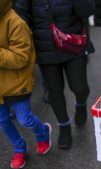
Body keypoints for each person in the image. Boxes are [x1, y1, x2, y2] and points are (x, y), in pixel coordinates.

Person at [14, 0, 95, 149]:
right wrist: (29, 31)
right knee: (54, 91)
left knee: (80, 87)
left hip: (73, 43)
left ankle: (81, 103)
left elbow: (88, 11)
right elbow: (20, 12)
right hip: (45, 45)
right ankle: (64, 126)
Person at [0, 0, 52, 169]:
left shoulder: (16, 22)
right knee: (2, 121)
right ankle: (19, 147)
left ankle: (43, 132)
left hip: (17, 82)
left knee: (24, 119)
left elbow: (21, 57)